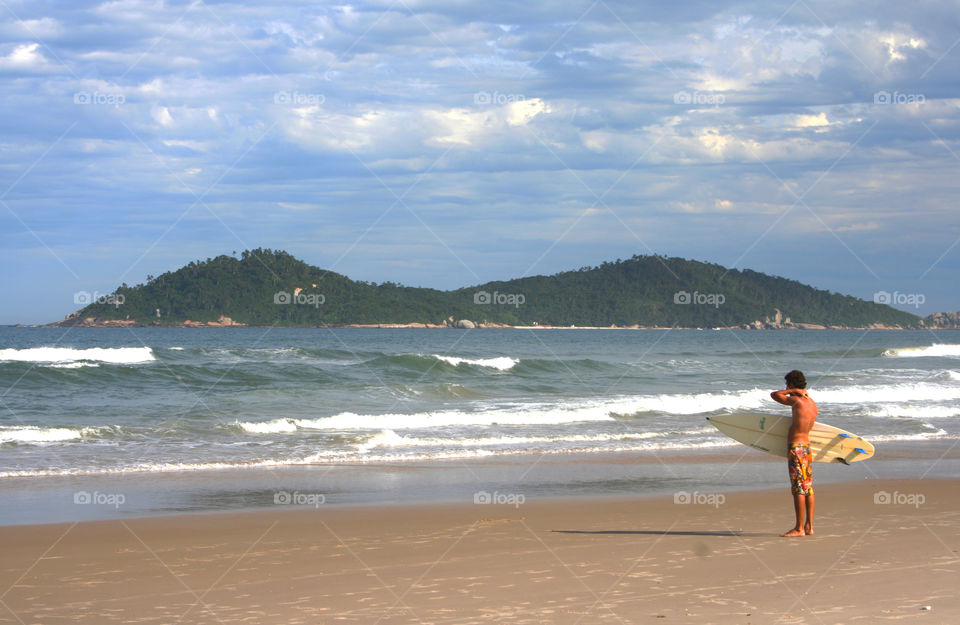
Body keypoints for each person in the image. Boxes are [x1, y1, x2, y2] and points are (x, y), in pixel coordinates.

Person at [770, 370, 818, 537]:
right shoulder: (812, 404)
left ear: (791, 384)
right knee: (808, 488)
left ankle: (798, 529)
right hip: (806, 447)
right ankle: (809, 527)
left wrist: (792, 392)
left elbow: (774, 395)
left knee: (798, 488)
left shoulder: (797, 401)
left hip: (796, 448)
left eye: (787, 385)